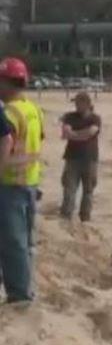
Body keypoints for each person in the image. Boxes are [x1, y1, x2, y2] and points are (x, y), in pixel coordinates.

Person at [0, 57, 44, 304]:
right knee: (25, 243)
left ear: (7, 82)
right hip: (30, 183)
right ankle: (25, 288)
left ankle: (19, 295)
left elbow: (5, 144)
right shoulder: (33, 109)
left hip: (9, 185)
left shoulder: (9, 113)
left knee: (13, 243)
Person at [59, 91, 101, 222]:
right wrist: (80, 135)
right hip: (72, 158)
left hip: (90, 159)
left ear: (86, 104)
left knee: (88, 190)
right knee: (69, 189)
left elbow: (90, 132)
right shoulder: (70, 116)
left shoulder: (95, 118)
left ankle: (85, 217)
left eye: (78, 102)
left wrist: (74, 134)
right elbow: (65, 133)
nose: (76, 105)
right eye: (75, 103)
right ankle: (66, 216)